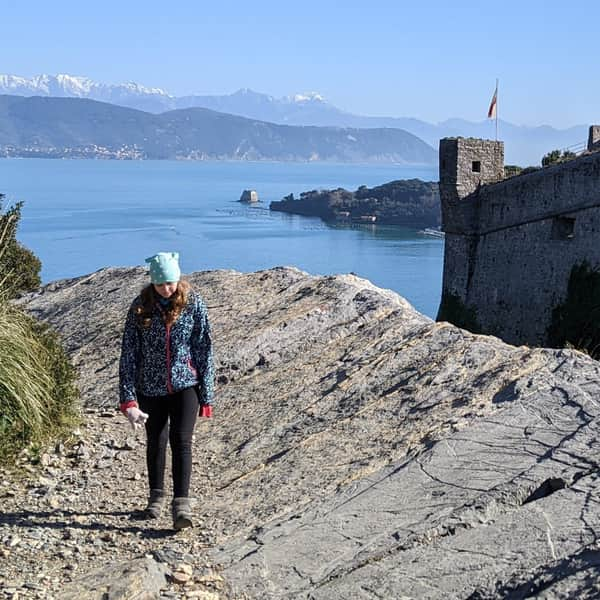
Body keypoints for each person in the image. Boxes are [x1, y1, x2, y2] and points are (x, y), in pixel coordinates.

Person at [118, 251, 214, 530]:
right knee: (156, 440)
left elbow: (204, 349)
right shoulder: (140, 306)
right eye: (160, 284)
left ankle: (181, 504)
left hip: (186, 385)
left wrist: (206, 394)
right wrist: (128, 400)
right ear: (152, 282)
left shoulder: (193, 303)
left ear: (178, 278)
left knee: (182, 441)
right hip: (150, 386)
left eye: (170, 282)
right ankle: (156, 497)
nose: (166, 289)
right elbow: (129, 354)